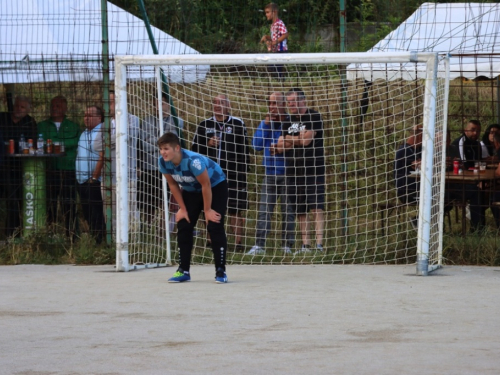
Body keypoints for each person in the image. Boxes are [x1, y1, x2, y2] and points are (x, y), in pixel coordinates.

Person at [158, 132, 228, 283]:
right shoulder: (163, 162)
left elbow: (206, 184)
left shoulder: (193, 161)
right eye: (161, 149)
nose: (163, 152)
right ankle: (183, 270)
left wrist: (207, 210)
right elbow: (173, 184)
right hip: (191, 190)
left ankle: (220, 271)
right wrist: (182, 208)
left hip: (214, 186)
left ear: (177, 148)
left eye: (166, 148)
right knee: (184, 223)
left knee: (214, 224)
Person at [192, 94, 250, 252]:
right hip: (210, 176)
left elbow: (244, 151)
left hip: (233, 175)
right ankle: (211, 241)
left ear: (229, 106)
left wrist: (242, 174)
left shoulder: (238, 124)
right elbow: (194, 151)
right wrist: (207, 143)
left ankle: (238, 243)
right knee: (209, 207)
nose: (218, 105)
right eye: (215, 103)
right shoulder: (205, 124)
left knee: (235, 209)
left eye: (222, 103)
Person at [275, 88, 325, 253]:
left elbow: (307, 141)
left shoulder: (314, 116)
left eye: (294, 101)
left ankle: (319, 245)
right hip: (293, 170)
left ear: (303, 100)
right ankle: (305, 245)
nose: (291, 105)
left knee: (316, 207)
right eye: (289, 102)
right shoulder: (287, 122)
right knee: (300, 210)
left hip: (313, 169)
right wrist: (297, 138)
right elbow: (281, 147)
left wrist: (290, 139)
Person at [247, 92, 295, 255]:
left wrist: (282, 148)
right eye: (270, 103)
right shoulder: (265, 123)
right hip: (269, 173)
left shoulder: (291, 122)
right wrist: (266, 125)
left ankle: (287, 245)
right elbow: (256, 145)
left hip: (288, 173)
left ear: (283, 105)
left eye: (275, 103)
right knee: (264, 210)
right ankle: (259, 244)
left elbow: (297, 144)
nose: (272, 107)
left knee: (288, 211)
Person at [93, 90, 140, 233]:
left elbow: (128, 136)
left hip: (128, 176)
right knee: (110, 214)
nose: (108, 106)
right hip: (108, 177)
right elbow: (96, 146)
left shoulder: (132, 119)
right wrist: (118, 138)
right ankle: (113, 243)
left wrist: (108, 141)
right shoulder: (104, 124)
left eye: (111, 102)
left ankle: (134, 243)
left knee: (130, 212)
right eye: (106, 102)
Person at [37, 95, 81, 236]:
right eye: (53, 106)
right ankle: (50, 233)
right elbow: (40, 143)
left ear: (65, 108)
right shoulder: (41, 126)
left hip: (68, 170)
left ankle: (72, 234)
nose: (55, 108)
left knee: (68, 203)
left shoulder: (73, 126)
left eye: (58, 106)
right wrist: (61, 146)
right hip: (48, 169)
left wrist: (55, 144)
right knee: (49, 203)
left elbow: (76, 143)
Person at [138, 93, 184, 224]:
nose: (158, 105)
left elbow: (174, 143)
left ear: (168, 104)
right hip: (149, 166)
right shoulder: (146, 121)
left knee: (166, 201)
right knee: (148, 202)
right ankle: (148, 227)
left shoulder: (177, 121)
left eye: (161, 102)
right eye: (155, 102)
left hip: (169, 168)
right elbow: (144, 144)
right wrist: (163, 144)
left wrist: (155, 142)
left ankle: (164, 230)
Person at [0, 96, 37, 237]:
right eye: (17, 106)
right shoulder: (3, 118)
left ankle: (14, 234)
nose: (18, 109)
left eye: (22, 107)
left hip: (20, 167)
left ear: (28, 110)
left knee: (16, 201)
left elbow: (32, 144)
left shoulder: (30, 123)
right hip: (3, 165)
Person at [76, 106, 106, 243]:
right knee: (87, 212)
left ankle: (101, 241)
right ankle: (94, 240)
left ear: (99, 117)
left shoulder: (102, 131)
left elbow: (103, 155)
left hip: (95, 180)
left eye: (90, 115)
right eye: (85, 115)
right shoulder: (83, 134)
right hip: (81, 180)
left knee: (97, 213)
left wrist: (94, 177)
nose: (86, 118)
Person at [260, 2, 288, 79]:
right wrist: (266, 37)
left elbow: (285, 34)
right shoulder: (273, 25)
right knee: (273, 67)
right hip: (275, 50)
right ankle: (280, 80)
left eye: (268, 12)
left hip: (281, 50)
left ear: (274, 12)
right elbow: (274, 37)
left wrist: (274, 42)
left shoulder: (279, 23)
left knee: (274, 67)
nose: (266, 14)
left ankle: (281, 80)